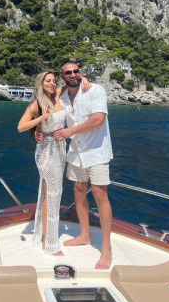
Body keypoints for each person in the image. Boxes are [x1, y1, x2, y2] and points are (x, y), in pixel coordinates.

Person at [52, 61, 113, 269]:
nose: (73, 75)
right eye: (68, 72)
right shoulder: (61, 95)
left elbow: (98, 120)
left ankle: (106, 248)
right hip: (76, 152)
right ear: (62, 76)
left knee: (99, 194)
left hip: (97, 151)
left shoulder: (95, 90)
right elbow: (46, 94)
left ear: (80, 73)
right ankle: (85, 235)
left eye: (76, 71)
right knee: (78, 191)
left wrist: (70, 131)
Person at [17, 71, 66, 255]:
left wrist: (83, 79)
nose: (52, 83)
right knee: (52, 193)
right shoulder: (36, 105)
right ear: (41, 83)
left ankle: (44, 235)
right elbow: (21, 127)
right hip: (46, 151)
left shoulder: (58, 95)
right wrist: (41, 119)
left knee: (52, 193)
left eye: (54, 80)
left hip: (60, 149)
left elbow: (72, 83)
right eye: (48, 81)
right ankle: (49, 242)